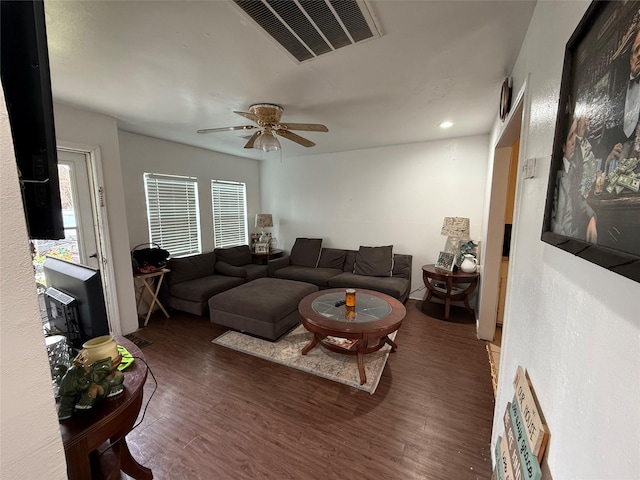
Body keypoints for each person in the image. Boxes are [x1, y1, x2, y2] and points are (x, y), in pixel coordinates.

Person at [551, 116, 598, 243]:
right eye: (571, 136)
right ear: (562, 145)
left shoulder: (571, 169)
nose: (574, 141)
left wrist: (591, 217)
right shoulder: (555, 177)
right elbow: (553, 222)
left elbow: (577, 197)